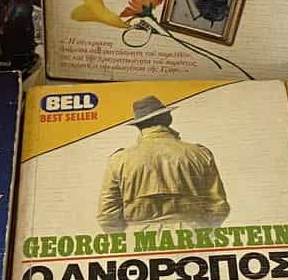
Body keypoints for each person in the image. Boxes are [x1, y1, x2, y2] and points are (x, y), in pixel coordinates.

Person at [97, 95, 230, 233]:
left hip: (138, 239)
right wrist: (199, 227)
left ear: (139, 126)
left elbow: (107, 215)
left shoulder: (119, 160)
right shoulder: (199, 154)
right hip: (193, 235)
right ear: (168, 119)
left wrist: (131, 233)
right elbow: (219, 207)